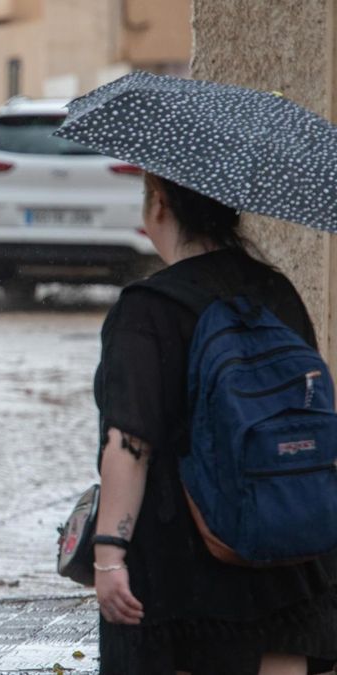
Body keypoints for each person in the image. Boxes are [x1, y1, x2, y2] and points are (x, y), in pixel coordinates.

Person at [92, 172, 337, 674]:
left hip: (181, 563)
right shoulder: (277, 292)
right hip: (286, 543)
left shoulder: (149, 307)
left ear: (158, 204)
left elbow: (129, 443)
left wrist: (109, 553)